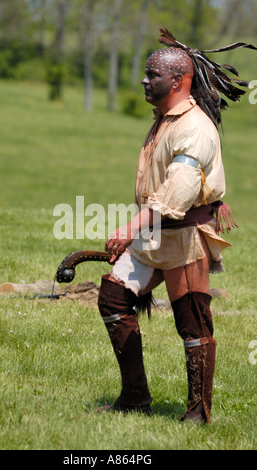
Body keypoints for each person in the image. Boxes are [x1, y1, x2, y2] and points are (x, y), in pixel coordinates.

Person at [97, 29, 255, 423]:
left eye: (153, 75)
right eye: (146, 73)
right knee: (114, 300)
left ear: (178, 80)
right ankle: (135, 397)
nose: (144, 80)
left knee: (192, 323)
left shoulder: (194, 127)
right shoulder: (166, 119)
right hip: (155, 234)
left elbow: (177, 194)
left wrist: (129, 228)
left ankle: (199, 412)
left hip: (185, 237)